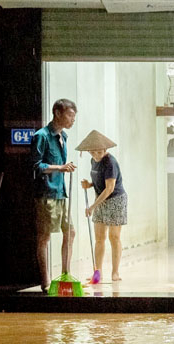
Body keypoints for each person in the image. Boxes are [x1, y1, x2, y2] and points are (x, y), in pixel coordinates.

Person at [31, 99, 77, 293]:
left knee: (71, 232)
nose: (72, 120)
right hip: (46, 193)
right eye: (69, 115)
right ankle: (45, 281)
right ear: (57, 113)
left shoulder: (63, 137)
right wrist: (60, 168)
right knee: (45, 237)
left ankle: (66, 274)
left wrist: (64, 168)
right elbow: (36, 165)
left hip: (60, 192)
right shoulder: (41, 136)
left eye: (74, 116)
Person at [78, 130, 126, 283]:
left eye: (99, 151)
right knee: (99, 238)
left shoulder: (110, 163)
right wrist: (90, 184)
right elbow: (100, 182)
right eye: (92, 152)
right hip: (100, 199)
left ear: (105, 150)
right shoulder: (94, 161)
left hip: (115, 200)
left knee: (114, 236)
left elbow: (110, 188)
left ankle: (115, 272)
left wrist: (92, 206)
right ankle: (97, 273)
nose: (96, 155)